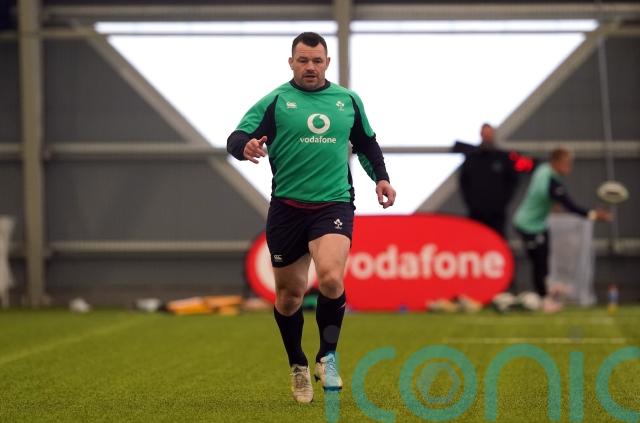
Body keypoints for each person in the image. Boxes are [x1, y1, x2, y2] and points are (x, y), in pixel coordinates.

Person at [227, 32, 396, 404]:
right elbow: (236, 138)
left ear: (327, 63)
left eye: (317, 61)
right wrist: (246, 146)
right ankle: (298, 365)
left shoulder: (347, 101)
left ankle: (327, 357)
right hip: (287, 209)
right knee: (289, 297)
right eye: (302, 60)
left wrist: (381, 179)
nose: (310, 67)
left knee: (332, 277)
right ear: (291, 62)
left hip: (333, 204)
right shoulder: (275, 101)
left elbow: (366, 143)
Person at [512, 147, 611, 300]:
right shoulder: (551, 183)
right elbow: (570, 206)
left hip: (539, 225)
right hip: (527, 225)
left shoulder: (544, 169)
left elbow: (549, 198)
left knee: (543, 260)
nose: (569, 167)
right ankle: (544, 298)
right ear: (555, 162)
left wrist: (553, 204)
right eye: (566, 163)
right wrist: (594, 215)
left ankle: (545, 293)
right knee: (540, 262)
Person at [459, 123, 519, 237]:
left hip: (497, 213)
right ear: (481, 135)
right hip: (476, 213)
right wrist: (472, 203)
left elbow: (512, 181)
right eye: (485, 134)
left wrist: (502, 202)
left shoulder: (502, 158)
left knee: (497, 239)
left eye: (489, 134)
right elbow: (464, 182)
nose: (487, 137)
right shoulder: (472, 158)